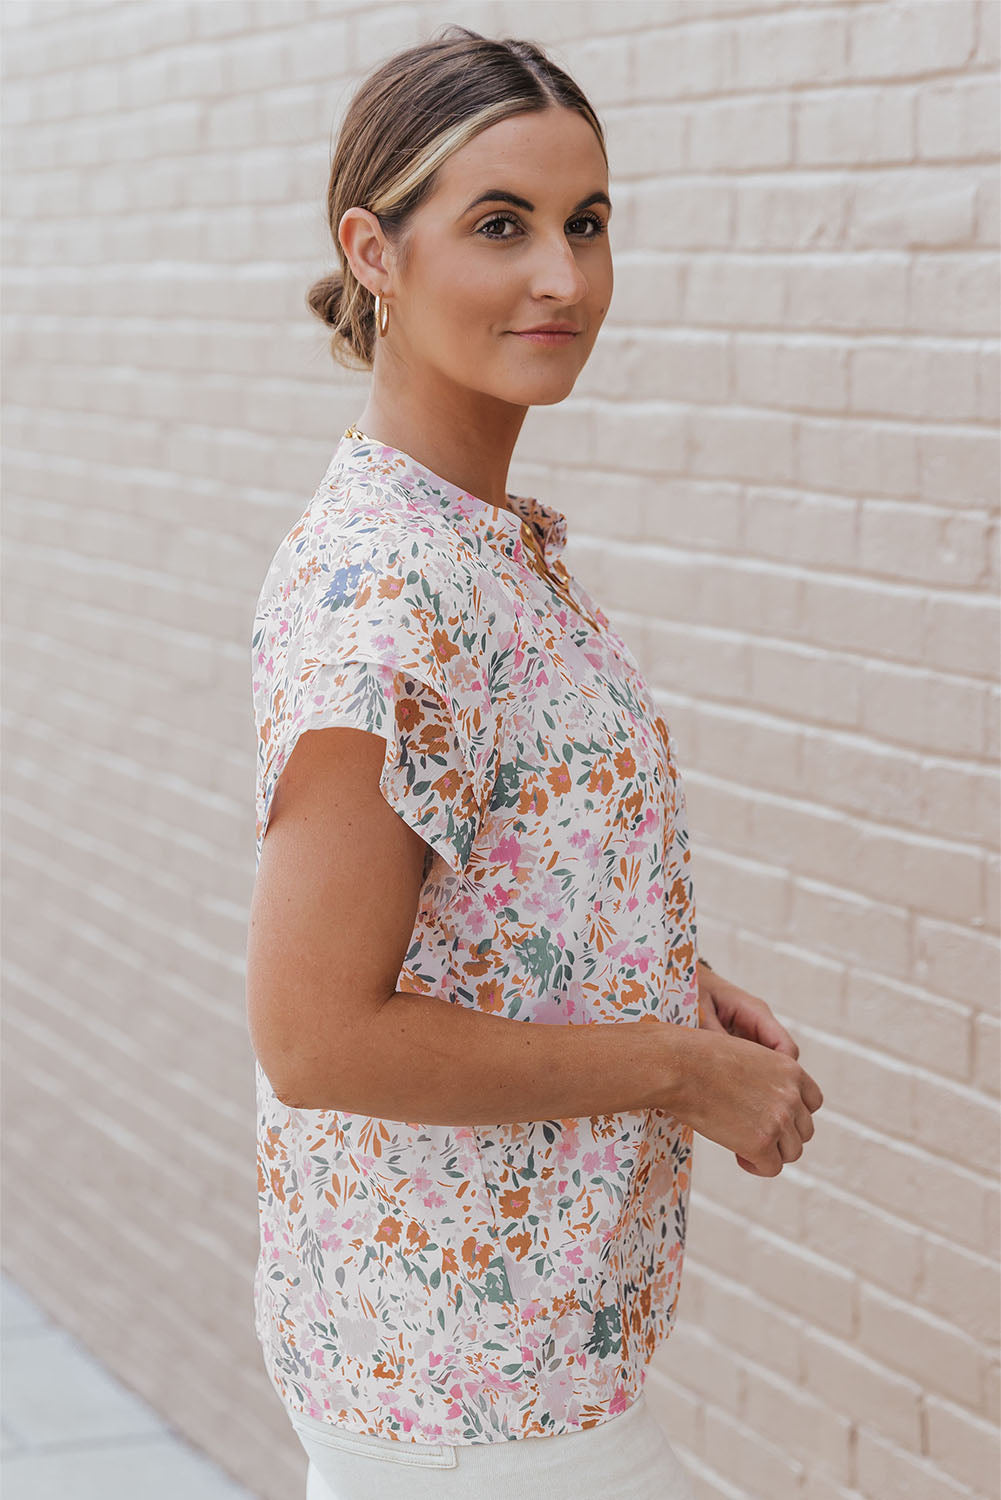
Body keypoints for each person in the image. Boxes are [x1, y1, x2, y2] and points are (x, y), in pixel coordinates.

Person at [245, 25, 824, 1500]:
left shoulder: (482, 548)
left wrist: (659, 980)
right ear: (373, 251)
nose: (562, 277)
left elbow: (491, 885)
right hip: (465, 1404)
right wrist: (678, 1070)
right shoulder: (394, 596)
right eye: (500, 225)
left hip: (534, 1370)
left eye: (587, 222)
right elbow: (319, 1035)